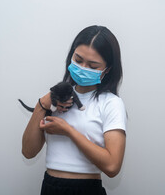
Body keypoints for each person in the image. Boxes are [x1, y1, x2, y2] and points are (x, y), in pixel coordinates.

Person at [22, 25, 127, 195]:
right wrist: (44, 102)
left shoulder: (111, 104)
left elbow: (112, 166)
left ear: (107, 70)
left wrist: (68, 131)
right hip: (49, 187)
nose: (83, 68)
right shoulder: (55, 99)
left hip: (86, 190)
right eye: (78, 60)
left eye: (93, 66)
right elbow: (28, 152)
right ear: (71, 56)